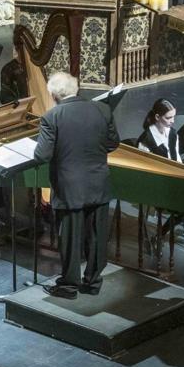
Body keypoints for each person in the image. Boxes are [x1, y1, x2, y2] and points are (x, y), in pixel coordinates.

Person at [33, 71, 119, 299]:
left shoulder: (53, 117)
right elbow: (112, 143)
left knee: (70, 238)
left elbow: (42, 155)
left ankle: (69, 286)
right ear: (76, 88)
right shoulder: (102, 109)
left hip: (70, 187)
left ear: (53, 95)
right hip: (98, 183)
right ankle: (93, 282)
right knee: (97, 235)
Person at [136, 99, 184, 256]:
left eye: (173, 117)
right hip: (157, 186)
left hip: (175, 181)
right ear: (157, 117)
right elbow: (145, 174)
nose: (172, 121)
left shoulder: (173, 134)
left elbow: (177, 160)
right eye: (169, 118)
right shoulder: (146, 141)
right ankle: (160, 235)